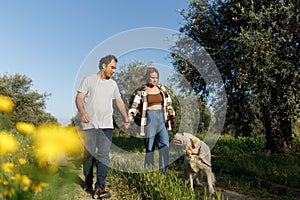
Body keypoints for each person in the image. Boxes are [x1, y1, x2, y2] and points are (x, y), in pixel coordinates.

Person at [76, 54, 130, 198]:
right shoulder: (88, 80)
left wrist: (126, 117)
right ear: (103, 66)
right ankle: (88, 182)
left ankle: (100, 187)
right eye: (112, 67)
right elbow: (79, 98)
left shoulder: (113, 84)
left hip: (106, 125)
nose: (114, 70)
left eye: (115, 68)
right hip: (89, 125)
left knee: (104, 155)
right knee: (89, 155)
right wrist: (82, 112)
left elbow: (119, 101)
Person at [128, 67, 175, 174]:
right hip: (150, 118)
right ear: (147, 78)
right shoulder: (142, 92)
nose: (155, 80)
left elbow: (169, 103)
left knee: (165, 146)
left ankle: (163, 173)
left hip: (162, 119)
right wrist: (131, 115)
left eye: (156, 78)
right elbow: (135, 105)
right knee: (150, 147)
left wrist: (171, 112)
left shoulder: (162, 89)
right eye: (152, 78)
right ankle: (149, 172)